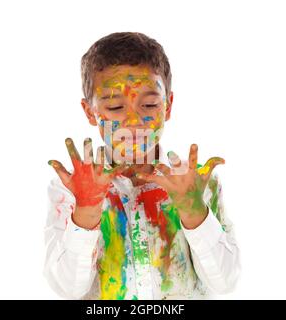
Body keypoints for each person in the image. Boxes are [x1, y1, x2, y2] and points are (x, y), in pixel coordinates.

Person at [44, 32, 241, 300]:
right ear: (90, 112)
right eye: (115, 106)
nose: (134, 120)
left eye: (149, 104)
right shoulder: (70, 189)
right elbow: (67, 288)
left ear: (168, 106)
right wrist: (86, 212)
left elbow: (225, 283)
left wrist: (194, 213)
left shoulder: (194, 184)